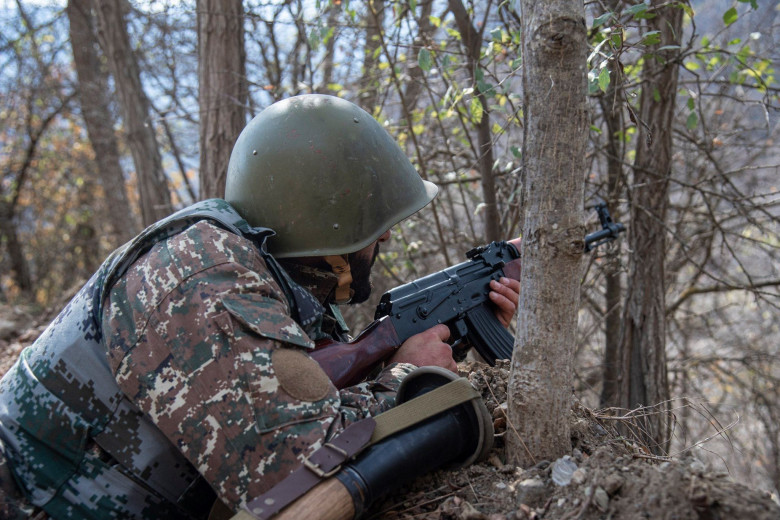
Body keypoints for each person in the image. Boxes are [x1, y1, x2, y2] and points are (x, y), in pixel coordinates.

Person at [0, 94, 520, 519]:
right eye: (375, 224)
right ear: (327, 228)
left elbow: (303, 400)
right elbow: (296, 472)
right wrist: (409, 375)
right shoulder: (203, 284)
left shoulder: (277, 279)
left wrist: (454, 333)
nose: (385, 236)